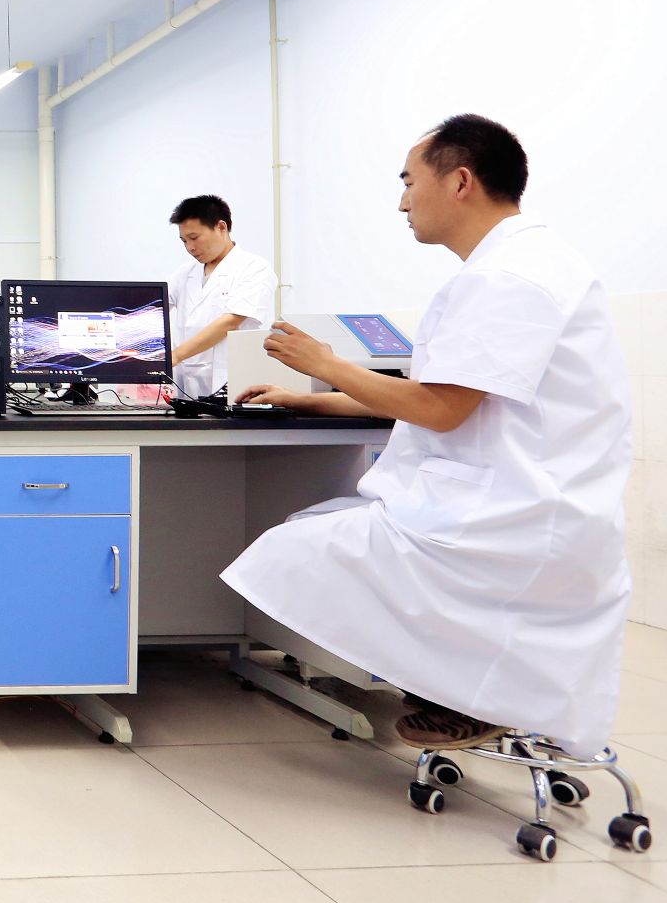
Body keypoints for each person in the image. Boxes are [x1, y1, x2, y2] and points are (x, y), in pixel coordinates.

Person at [222, 115, 633, 755]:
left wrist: (326, 363)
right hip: (524, 505)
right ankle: (453, 687)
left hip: (504, 520)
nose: (402, 201)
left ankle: (468, 692)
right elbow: (435, 396)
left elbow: (440, 409)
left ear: (460, 181)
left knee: (287, 553)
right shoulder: (525, 264)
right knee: (309, 536)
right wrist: (308, 398)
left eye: (409, 182)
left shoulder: (505, 279)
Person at [165, 194, 276, 399]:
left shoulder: (254, 268)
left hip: (231, 381)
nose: (190, 247)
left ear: (221, 227)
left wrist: (176, 355)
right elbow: (157, 308)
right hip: (186, 384)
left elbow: (230, 321)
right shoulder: (184, 273)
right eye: (184, 241)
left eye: (194, 238)